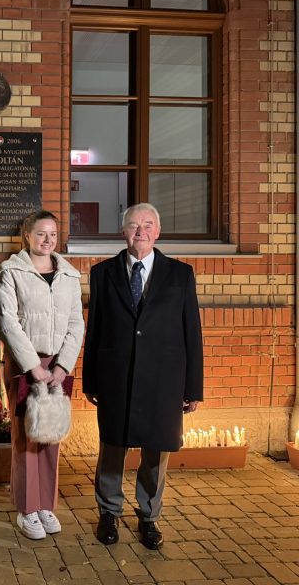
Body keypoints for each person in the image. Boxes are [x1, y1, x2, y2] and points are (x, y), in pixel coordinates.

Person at [83, 203, 203, 550]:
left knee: (156, 449)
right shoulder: (102, 273)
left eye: (148, 225)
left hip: (164, 380)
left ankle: (149, 516)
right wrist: (90, 380)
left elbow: (192, 333)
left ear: (158, 232)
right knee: (112, 446)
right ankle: (109, 512)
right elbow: (95, 330)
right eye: (134, 226)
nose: (141, 232)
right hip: (116, 376)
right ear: (123, 232)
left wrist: (193, 387)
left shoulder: (180, 274)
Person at [0, 210, 85, 540]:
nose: (47, 240)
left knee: (50, 433)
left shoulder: (69, 276)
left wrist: (62, 366)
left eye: (53, 234)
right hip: (24, 364)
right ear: (27, 236)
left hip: (57, 365)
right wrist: (33, 366)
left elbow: (76, 323)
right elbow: (8, 321)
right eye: (41, 233)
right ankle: (27, 508)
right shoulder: (11, 272)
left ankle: (45, 504)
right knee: (25, 436)